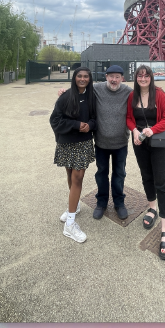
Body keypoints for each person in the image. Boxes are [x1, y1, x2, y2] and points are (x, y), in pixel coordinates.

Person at [60, 65, 133, 220]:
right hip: (101, 142)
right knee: (101, 174)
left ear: (122, 78)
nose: (114, 80)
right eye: (111, 76)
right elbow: (80, 84)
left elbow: (143, 94)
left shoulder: (128, 92)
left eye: (117, 77)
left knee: (119, 174)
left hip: (121, 142)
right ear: (106, 77)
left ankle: (119, 203)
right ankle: (101, 203)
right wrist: (64, 92)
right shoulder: (97, 89)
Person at [127, 65, 165, 260]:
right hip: (140, 141)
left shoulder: (160, 95)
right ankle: (152, 208)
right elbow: (129, 118)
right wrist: (134, 131)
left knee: (162, 182)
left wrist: (152, 130)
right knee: (146, 176)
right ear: (136, 78)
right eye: (140, 75)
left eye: (146, 75)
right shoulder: (133, 96)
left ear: (151, 77)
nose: (143, 78)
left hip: (160, 141)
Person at [49, 67, 97, 243]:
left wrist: (90, 126)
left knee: (78, 178)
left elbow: (95, 118)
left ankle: (69, 223)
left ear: (89, 79)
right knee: (70, 174)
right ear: (75, 78)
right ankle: (73, 208)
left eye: (86, 76)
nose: (83, 79)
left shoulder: (92, 97)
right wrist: (76, 125)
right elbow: (54, 120)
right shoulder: (66, 97)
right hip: (67, 142)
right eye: (80, 76)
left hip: (83, 143)